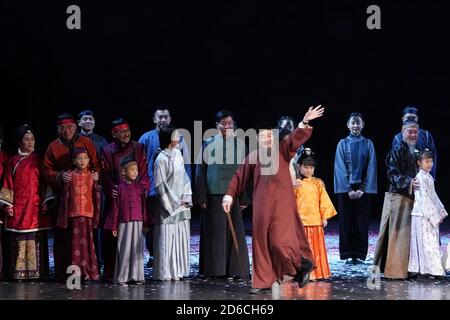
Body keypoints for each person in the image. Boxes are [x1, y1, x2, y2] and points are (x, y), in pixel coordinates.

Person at [222, 105, 324, 293]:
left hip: (282, 206)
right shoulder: (253, 156)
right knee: (261, 245)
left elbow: (295, 139)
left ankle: (301, 266)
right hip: (262, 208)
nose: (268, 138)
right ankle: (262, 282)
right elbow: (239, 177)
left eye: (270, 135)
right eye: (264, 135)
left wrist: (305, 122)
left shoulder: (283, 149)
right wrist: (229, 195)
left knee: (280, 243)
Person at [42, 113, 99, 281]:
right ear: (58, 129)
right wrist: (59, 176)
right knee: (63, 237)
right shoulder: (53, 147)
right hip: (63, 200)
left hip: (85, 199)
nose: (67, 131)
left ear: (76, 127)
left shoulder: (86, 143)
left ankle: (86, 270)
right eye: (63, 128)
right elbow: (46, 170)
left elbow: (96, 164)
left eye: (70, 127)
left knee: (86, 237)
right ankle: (64, 272)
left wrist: (96, 174)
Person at [195, 110, 250, 279]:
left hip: (235, 195)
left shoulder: (241, 145)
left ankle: (235, 269)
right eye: (223, 123)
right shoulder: (207, 143)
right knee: (216, 233)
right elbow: (200, 171)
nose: (227, 126)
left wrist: (246, 197)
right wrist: (201, 195)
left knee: (236, 233)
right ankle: (215, 270)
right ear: (216, 125)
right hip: (214, 194)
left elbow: (248, 172)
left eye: (230, 123)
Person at [138, 107, 191, 263]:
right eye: (159, 117)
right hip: (153, 189)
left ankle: (171, 255)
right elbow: (140, 164)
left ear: (170, 118)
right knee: (153, 224)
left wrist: (187, 190)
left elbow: (186, 164)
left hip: (175, 190)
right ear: (154, 119)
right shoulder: (146, 138)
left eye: (165, 117)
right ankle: (155, 255)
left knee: (172, 223)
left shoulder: (179, 138)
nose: (163, 119)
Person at [0, 125, 51, 280]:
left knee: (35, 237)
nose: (30, 142)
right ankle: (18, 273)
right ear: (19, 142)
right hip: (19, 206)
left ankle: (38, 274)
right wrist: (7, 205)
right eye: (26, 139)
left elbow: (46, 182)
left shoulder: (39, 160)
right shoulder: (13, 161)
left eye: (32, 139)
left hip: (35, 206)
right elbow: (7, 183)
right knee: (18, 238)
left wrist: (46, 201)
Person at [101, 118, 149, 282]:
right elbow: (105, 174)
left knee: (135, 242)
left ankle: (135, 274)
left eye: (127, 130)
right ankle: (115, 273)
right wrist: (112, 190)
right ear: (113, 134)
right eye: (121, 131)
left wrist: (142, 189)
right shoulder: (107, 150)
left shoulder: (138, 148)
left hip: (134, 199)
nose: (126, 134)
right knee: (114, 239)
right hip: (117, 198)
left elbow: (143, 173)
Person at [373, 118, 420, 279]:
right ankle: (394, 271)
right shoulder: (396, 151)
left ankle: (410, 269)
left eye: (415, 132)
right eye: (410, 131)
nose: (413, 135)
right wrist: (409, 182)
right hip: (398, 197)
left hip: (413, 198)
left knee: (410, 235)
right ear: (402, 133)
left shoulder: (418, 152)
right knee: (396, 235)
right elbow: (392, 175)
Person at [334, 112, 377, 264]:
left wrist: (363, 188)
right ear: (347, 125)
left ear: (363, 125)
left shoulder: (368, 144)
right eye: (353, 123)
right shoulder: (342, 143)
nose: (355, 126)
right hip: (346, 189)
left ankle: (359, 254)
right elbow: (339, 167)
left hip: (362, 189)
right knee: (345, 222)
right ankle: (347, 254)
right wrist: (348, 189)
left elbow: (371, 167)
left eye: (358, 123)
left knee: (361, 222)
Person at [153, 126, 192, 281]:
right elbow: (160, 184)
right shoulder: (161, 159)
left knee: (179, 236)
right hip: (169, 205)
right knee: (167, 238)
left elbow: (184, 177)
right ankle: (166, 272)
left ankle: (179, 270)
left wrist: (186, 198)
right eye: (176, 135)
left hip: (181, 203)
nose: (179, 137)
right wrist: (174, 202)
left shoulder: (178, 154)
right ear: (169, 138)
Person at [56, 147, 100, 281]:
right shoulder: (70, 175)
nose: (82, 161)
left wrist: (97, 215)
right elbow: (65, 196)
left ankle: (88, 272)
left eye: (85, 158)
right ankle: (75, 272)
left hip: (88, 214)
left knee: (87, 243)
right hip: (74, 214)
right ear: (74, 161)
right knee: (74, 244)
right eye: (79, 158)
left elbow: (96, 195)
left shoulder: (92, 175)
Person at [294, 148, 337, 280]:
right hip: (300, 223)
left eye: (311, 167)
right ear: (299, 167)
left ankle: (317, 273)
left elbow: (323, 200)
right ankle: (301, 273)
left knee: (316, 250)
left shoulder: (318, 183)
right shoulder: (296, 184)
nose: (308, 170)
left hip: (315, 222)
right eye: (306, 167)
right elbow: (290, 203)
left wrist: (324, 217)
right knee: (302, 248)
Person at [104, 159, 147, 286]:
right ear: (123, 172)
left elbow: (143, 206)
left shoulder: (140, 188)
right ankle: (122, 277)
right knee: (124, 249)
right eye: (132, 170)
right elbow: (115, 209)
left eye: (136, 170)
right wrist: (114, 225)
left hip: (137, 221)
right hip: (124, 222)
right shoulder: (119, 189)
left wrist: (145, 223)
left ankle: (137, 276)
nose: (135, 172)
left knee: (137, 250)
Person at [408, 149, 447, 277]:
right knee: (425, 243)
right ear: (419, 163)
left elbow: (433, 196)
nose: (430, 164)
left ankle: (431, 270)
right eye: (427, 161)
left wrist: (441, 212)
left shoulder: (429, 177)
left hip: (429, 215)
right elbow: (422, 198)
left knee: (431, 242)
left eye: (431, 161)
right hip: (422, 215)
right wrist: (434, 216)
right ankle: (429, 270)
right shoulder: (419, 178)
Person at [78, 109, 108, 269]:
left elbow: (105, 164)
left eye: (91, 119)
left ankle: (98, 259)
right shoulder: (75, 140)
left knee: (98, 224)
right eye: (85, 119)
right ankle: (82, 258)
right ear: (79, 123)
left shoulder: (101, 141)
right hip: (79, 190)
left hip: (97, 190)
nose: (88, 122)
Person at [392, 106, 437, 178]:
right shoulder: (397, 138)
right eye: (408, 117)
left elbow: (433, 157)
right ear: (403, 118)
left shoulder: (426, 135)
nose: (411, 120)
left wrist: (431, 177)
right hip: (405, 182)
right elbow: (395, 164)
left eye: (413, 117)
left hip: (424, 180)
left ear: (417, 118)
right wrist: (405, 182)